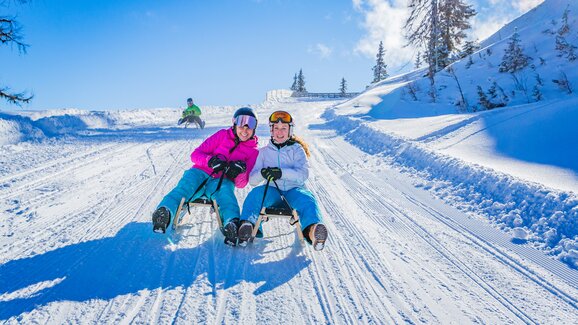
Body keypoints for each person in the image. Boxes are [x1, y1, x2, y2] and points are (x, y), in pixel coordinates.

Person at [152, 107, 259, 246]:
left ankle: (231, 224)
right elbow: (195, 154)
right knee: (185, 188)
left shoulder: (253, 152)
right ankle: (164, 213)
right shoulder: (222, 135)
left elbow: (241, 184)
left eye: (250, 125)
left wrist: (240, 171)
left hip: (222, 181)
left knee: (226, 196)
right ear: (234, 124)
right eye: (241, 123)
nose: (245, 129)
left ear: (254, 128)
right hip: (200, 173)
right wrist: (210, 160)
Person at [237, 110, 328, 250]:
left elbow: (303, 174)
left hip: (294, 191)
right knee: (255, 194)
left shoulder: (297, 150)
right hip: (272, 191)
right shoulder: (263, 152)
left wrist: (281, 173)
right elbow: (252, 181)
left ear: (290, 130)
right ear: (271, 130)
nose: (280, 132)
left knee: (308, 200)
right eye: (276, 128)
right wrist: (263, 173)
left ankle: (313, 231)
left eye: (284, 128)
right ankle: (247, 226)